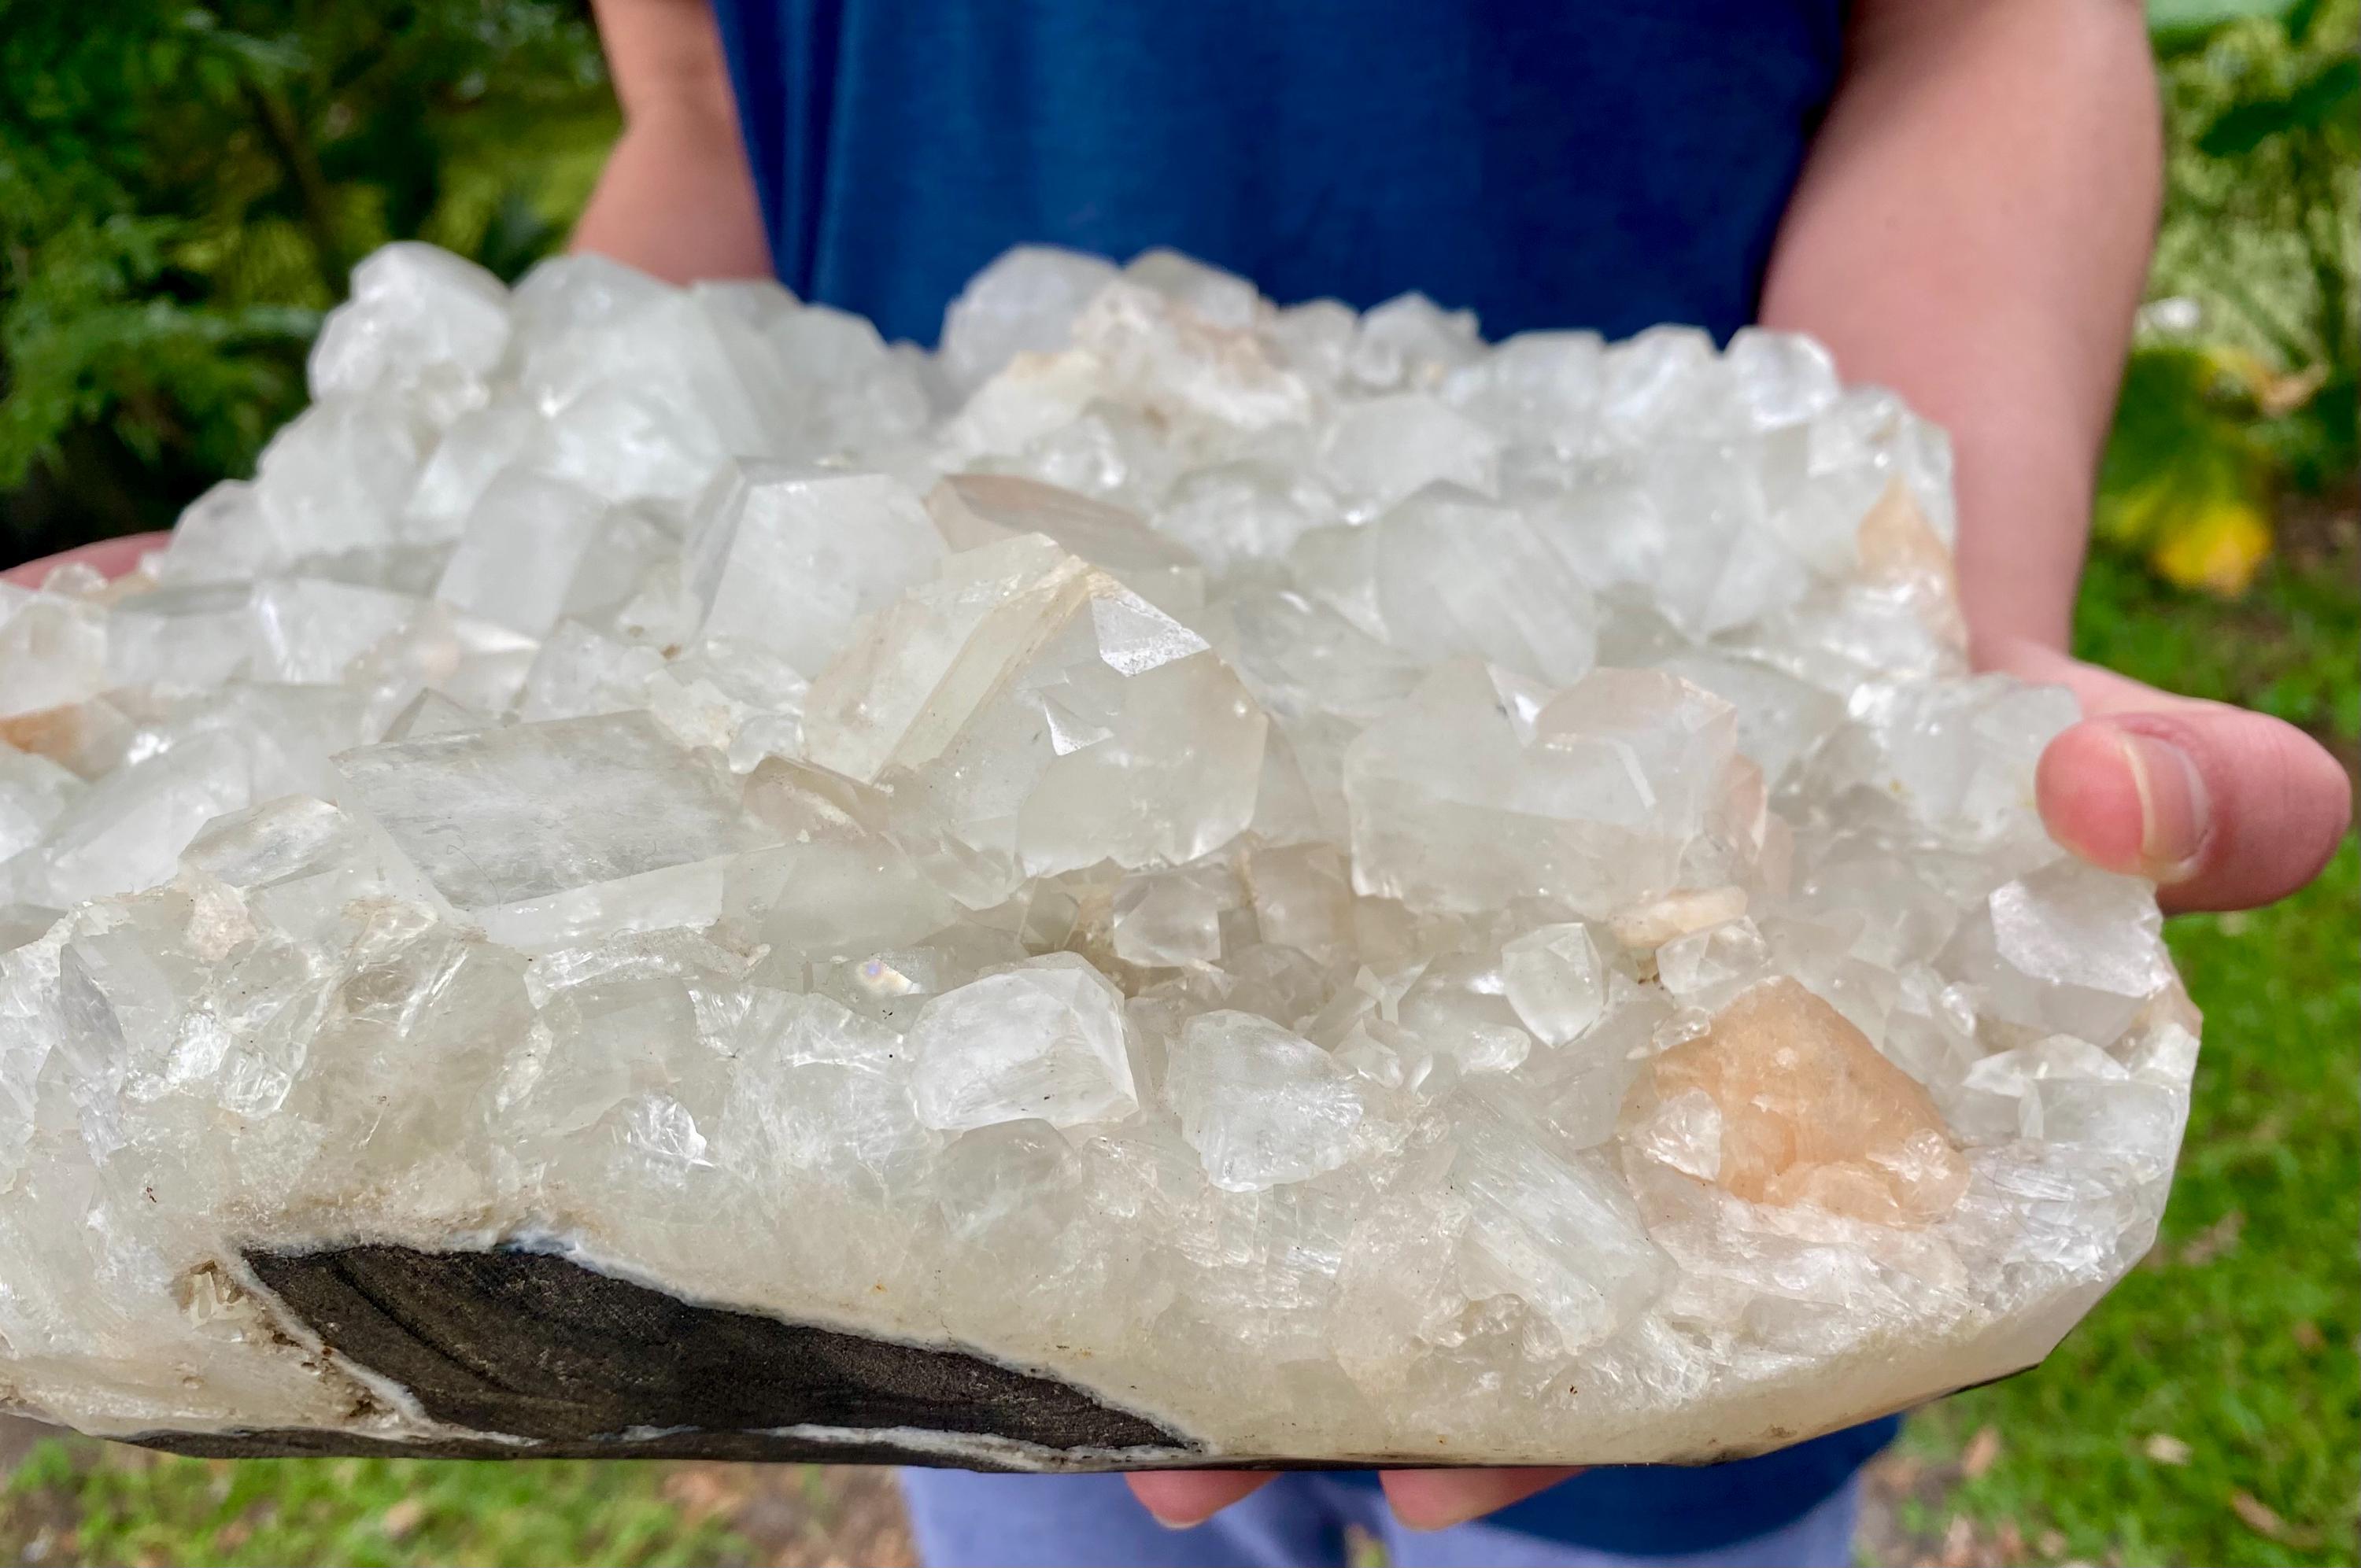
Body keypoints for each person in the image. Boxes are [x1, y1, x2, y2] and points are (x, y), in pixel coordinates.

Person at [7, 2, 2344, 1564]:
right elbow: (705, 120)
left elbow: (1994, 28)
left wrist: (1891, 598)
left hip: (1659, 1008)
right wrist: (392, 580)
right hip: (947, 1216)